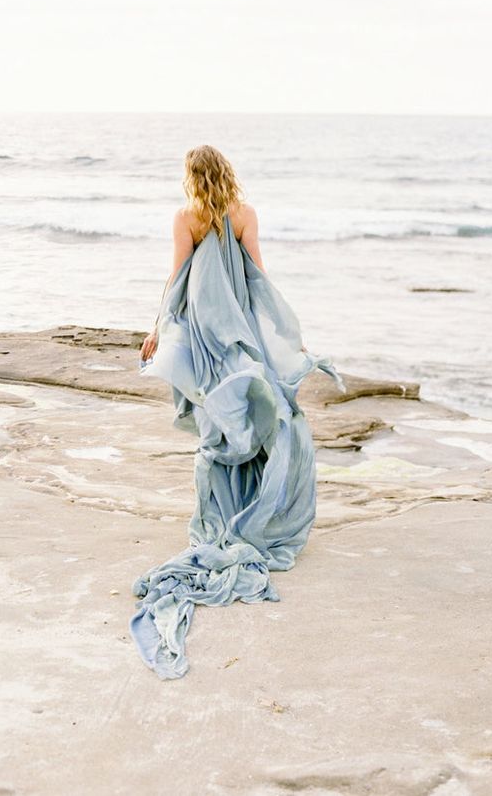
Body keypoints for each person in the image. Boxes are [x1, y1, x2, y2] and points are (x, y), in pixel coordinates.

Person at [129, 144, 344, 680]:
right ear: (225, 172)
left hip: (205, 330)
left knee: (219, 425)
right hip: (241, 327)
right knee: (262, 416)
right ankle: (253, 516)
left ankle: (222, 520)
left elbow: (178, 280)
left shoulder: (187, 217)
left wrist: (160, 328)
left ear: (191, 176)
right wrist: (282, 334)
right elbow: (258, 277)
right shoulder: (245, 214)